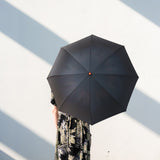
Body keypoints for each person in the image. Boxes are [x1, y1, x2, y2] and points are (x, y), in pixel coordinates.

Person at [50, 91, 92, 160]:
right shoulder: (87, 84)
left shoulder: (58, 83)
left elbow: (55, 111)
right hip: (82, 131)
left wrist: (60, 130)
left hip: (65, 131)